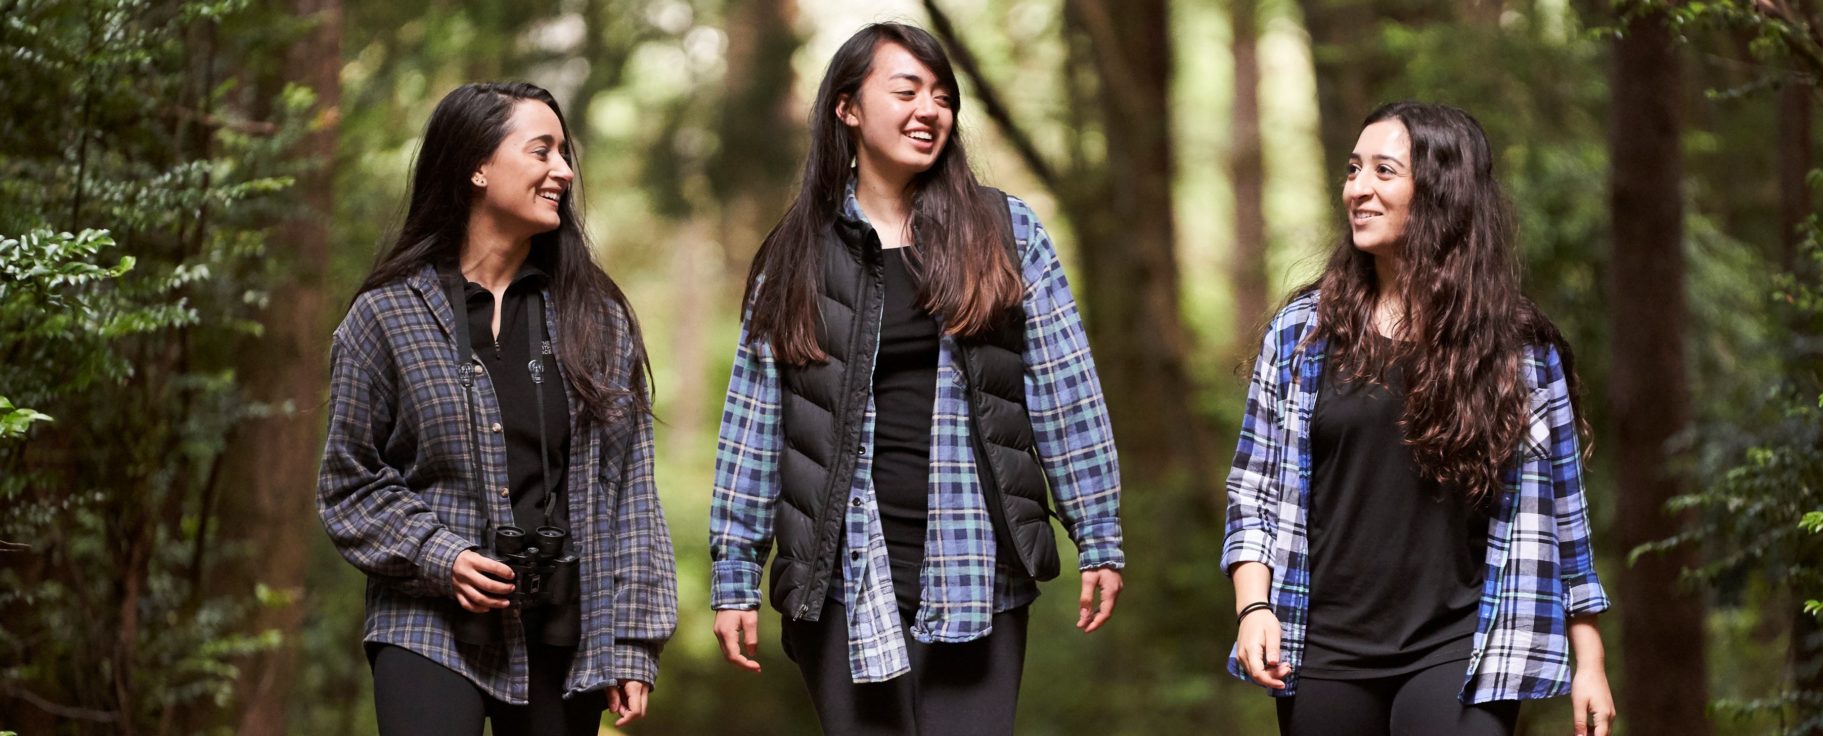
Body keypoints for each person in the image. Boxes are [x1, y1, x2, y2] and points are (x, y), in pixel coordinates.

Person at [706, 22, 1125, 736]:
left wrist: (1099, 534)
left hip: (976, 569)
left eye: (943, 96)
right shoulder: (796, 255)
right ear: (847, 108)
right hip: (843, 575)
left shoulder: (1005, 232)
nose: (929, 109)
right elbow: (756, 423)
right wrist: (733, 575)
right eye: (906, 91)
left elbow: (1065, 391)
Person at [1221, 101, 1617, 736]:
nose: (1358, 189)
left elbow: (1565, 516)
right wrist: (1254, 607)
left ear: (1440, 193)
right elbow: (1254, 489)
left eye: (1383, 171)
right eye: (1353, 169)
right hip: (1323, 646)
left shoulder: (1515, 349)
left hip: (1464, 644)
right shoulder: (1303, 334)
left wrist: (1589, 662)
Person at [317, 81, 674, 736]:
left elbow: (630, 493)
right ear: (477, 167)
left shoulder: (598, 317)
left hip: (563, 629)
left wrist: (631, 642)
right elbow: (348, 484)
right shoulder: (385, 317)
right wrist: (439, 553)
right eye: (541, 151)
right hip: (428, 622)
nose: (563, 171)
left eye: (564, 154)